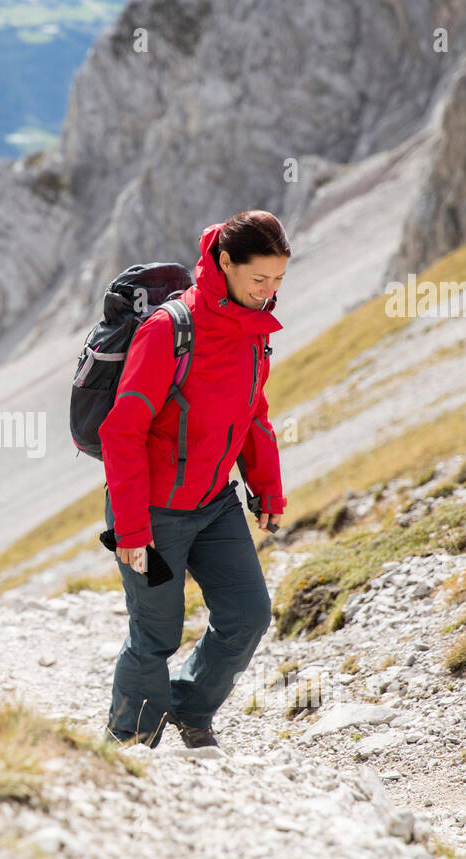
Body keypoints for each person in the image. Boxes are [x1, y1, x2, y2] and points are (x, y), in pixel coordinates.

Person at [97, 209, 290, 749]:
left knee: (248, 616)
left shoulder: (254, 330)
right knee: (155, 633)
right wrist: (132, 531)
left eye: (278, 280)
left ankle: (187, 708)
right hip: (152, 515)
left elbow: (253, 413)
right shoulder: (168, 331)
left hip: (214, 504)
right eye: (259, 279)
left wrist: (266, 489)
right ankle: (127, 747)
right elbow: (121, 432)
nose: (269, 291)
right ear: (224, 262)